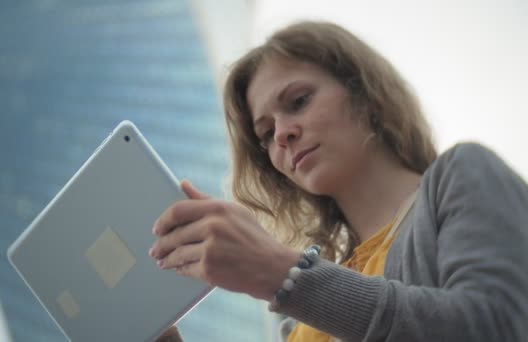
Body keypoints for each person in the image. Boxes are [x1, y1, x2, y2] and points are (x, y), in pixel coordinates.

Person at [150, 21, 528, 341]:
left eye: (298, 101)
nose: (281, 134)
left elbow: (499, 326)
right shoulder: (300, 322)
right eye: (265, 134)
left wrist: (281, 273)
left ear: (366, 93)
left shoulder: (462, 174)